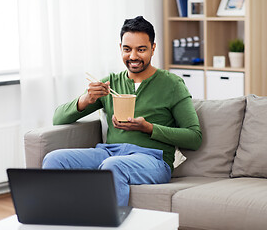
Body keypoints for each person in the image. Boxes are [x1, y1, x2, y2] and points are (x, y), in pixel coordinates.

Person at [42, 16, 202, 206]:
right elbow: (58, 118)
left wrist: (149, 128)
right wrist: (86, 99)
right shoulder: (110, 83)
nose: (133, 56)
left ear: (153, 48)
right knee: (54, 160)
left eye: (141, 49)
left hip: (153, 160)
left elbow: (194, 137)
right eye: (127, 49)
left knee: (113, 166)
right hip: (109, 153)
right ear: (120, 48)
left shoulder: (172, 84)